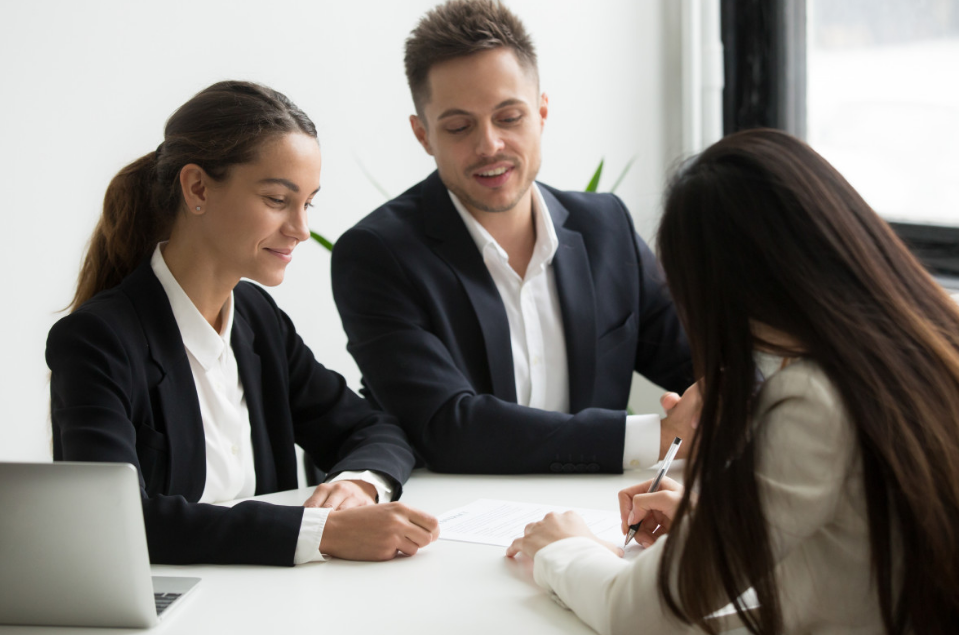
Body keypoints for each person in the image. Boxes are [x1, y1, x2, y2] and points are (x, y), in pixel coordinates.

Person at [505, 128, 959, 634]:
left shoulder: (812, 398)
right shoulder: (934, 339)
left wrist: (564, 548)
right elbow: (859, 541)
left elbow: (635, 613)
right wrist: (716, 522)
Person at [46, 81, 439, 566]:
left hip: (274, 600)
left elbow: (374, 428)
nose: (300, 229)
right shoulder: (98, 340)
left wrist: (358, 483)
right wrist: (320, 533)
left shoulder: (259, 321)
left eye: (308, 203)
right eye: (278, 199)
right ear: (197, 189)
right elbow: (116, 520)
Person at [331, 0, 694, 475]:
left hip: (598, 519)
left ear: (541, 112)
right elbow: (448, 426)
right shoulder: (378, 255)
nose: (489, 145)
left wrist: (732, 400)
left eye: (509, 117)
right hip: (444, 528)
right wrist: (655, 436)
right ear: (423, 136)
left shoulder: (607, 228)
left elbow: (702, 358)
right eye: (459, 126)